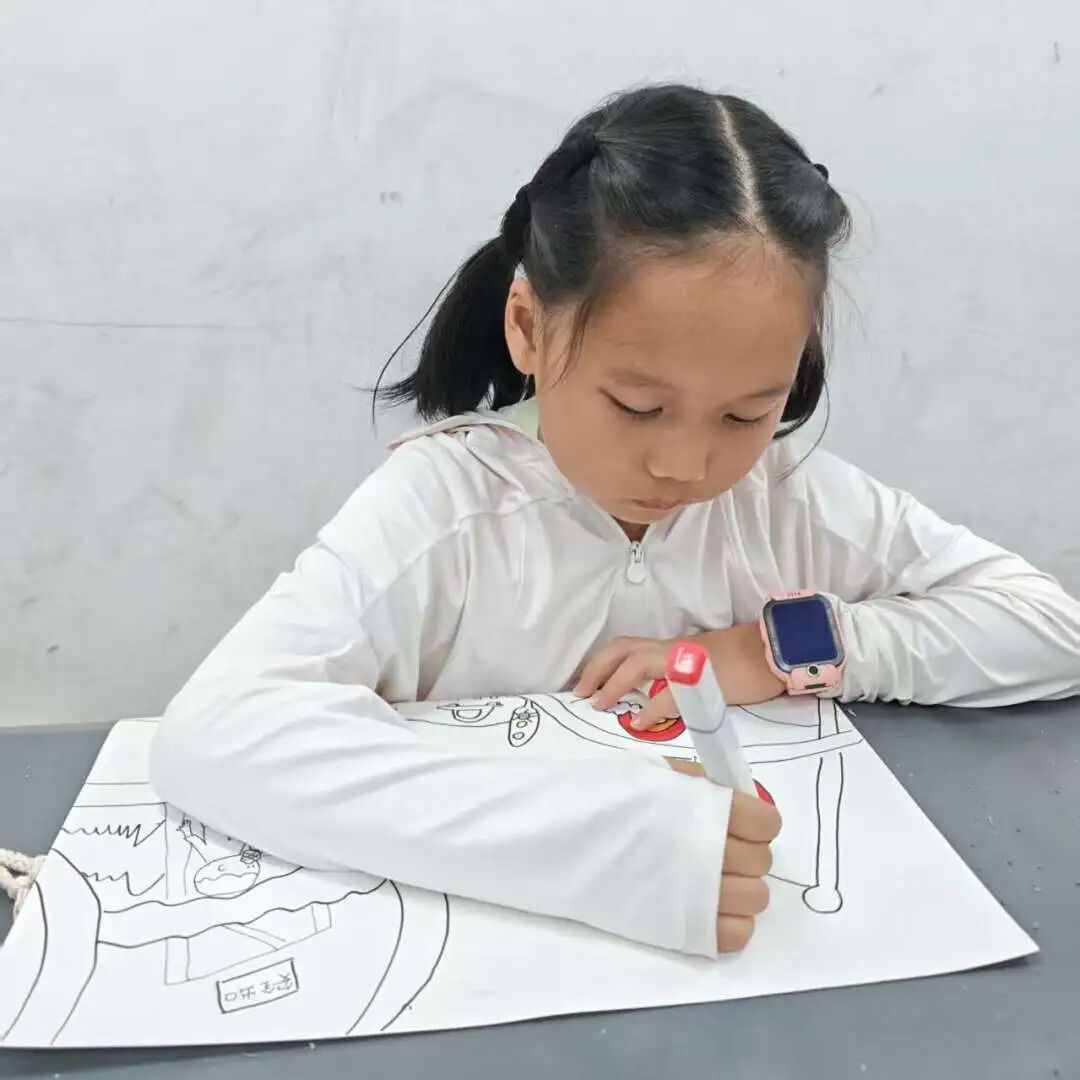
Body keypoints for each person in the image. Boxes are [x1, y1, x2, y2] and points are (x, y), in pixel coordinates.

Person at [150, 84, 1080, 960]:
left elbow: (1049, 628)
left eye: (748, 413)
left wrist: (766, 653)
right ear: (528, 328)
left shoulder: (783, 495)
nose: (686, 465)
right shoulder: (447, 505)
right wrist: (596, 838)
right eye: (638, 406)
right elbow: (217, 734)